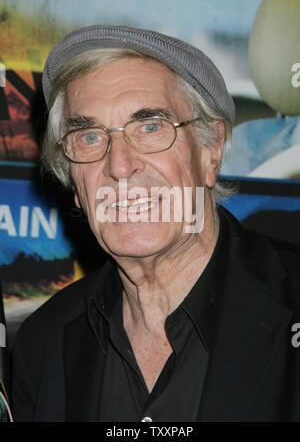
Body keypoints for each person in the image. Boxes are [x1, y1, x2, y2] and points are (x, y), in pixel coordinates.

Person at [12, 25, 300, 422]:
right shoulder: (41, 343)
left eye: (150, 127)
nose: (119, 166)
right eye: (90, 137)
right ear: (74, 184)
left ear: (210, 152)